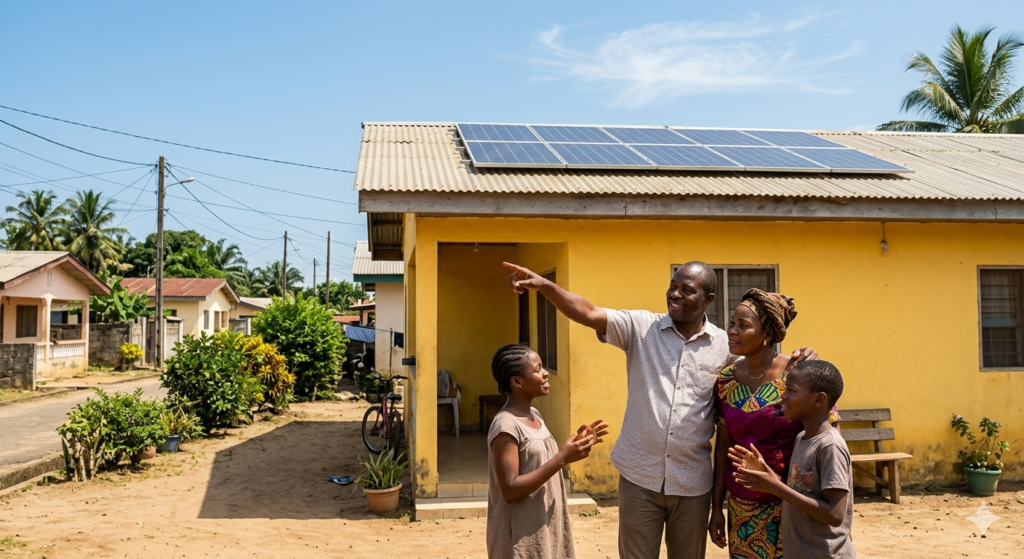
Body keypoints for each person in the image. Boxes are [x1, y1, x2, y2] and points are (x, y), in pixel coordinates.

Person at [503, 261, 816, 559]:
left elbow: (760, 362)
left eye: (686, 289)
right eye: (672, 286)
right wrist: (546, 286)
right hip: (639, 477)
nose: (675, 294)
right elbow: (589, 312)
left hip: (692, 484)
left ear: (707, 299)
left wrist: (799, 357)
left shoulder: (724, 346)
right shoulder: (641, 328)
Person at [708, 289, 838, 558]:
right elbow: (723, 447)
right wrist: (716, 507)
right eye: (732, 323)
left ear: (767, 334)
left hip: (792, 504)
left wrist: (836, 510)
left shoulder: (798, 374)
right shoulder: (724, 380)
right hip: (742, 507)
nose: (731, 331)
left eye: (743, 326)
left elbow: (829, 436)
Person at [487, 343, 610, 559]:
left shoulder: (535, 414)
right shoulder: (505, 426)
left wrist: (573, 448)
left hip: (544, 529)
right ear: (516, 382)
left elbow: (540, 465)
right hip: (519, 540)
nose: (545, 373)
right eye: (537, 369)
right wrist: (562, 458)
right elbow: (509, 489)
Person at [730, 360, 856, 559]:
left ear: (819, 400)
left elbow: (835, 514)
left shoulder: (830, 446)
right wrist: (770, 478)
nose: (783, 396)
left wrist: (775, 488)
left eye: (791, 390)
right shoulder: (802, 438)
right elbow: (801, 492)